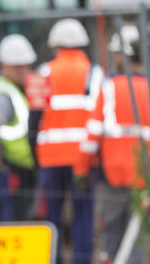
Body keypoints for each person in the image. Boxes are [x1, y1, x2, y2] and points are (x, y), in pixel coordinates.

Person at [74, 25, 148, 264]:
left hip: (113, 173)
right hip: (143, 174)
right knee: (137, 234)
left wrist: (81, 170)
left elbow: (92, 135)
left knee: (111, 232)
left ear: (121, 55)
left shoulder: (110, 88)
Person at [35, 18, 104, 264]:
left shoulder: (44, 72)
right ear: (83, 45)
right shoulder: (95, 74)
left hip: (50, 159)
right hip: (83, 159)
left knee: (52, 216)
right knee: (83, 215)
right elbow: (100, 116)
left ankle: (54, 260)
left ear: (56, 46)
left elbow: (34, 117)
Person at [0, 34, 37, 221]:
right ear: (4, 66)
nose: (23, 71)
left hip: (16, 168)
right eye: (17, 66)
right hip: (10, 169)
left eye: (25, 65)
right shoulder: (3, 94)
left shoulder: (13, 89)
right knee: (14, 224)